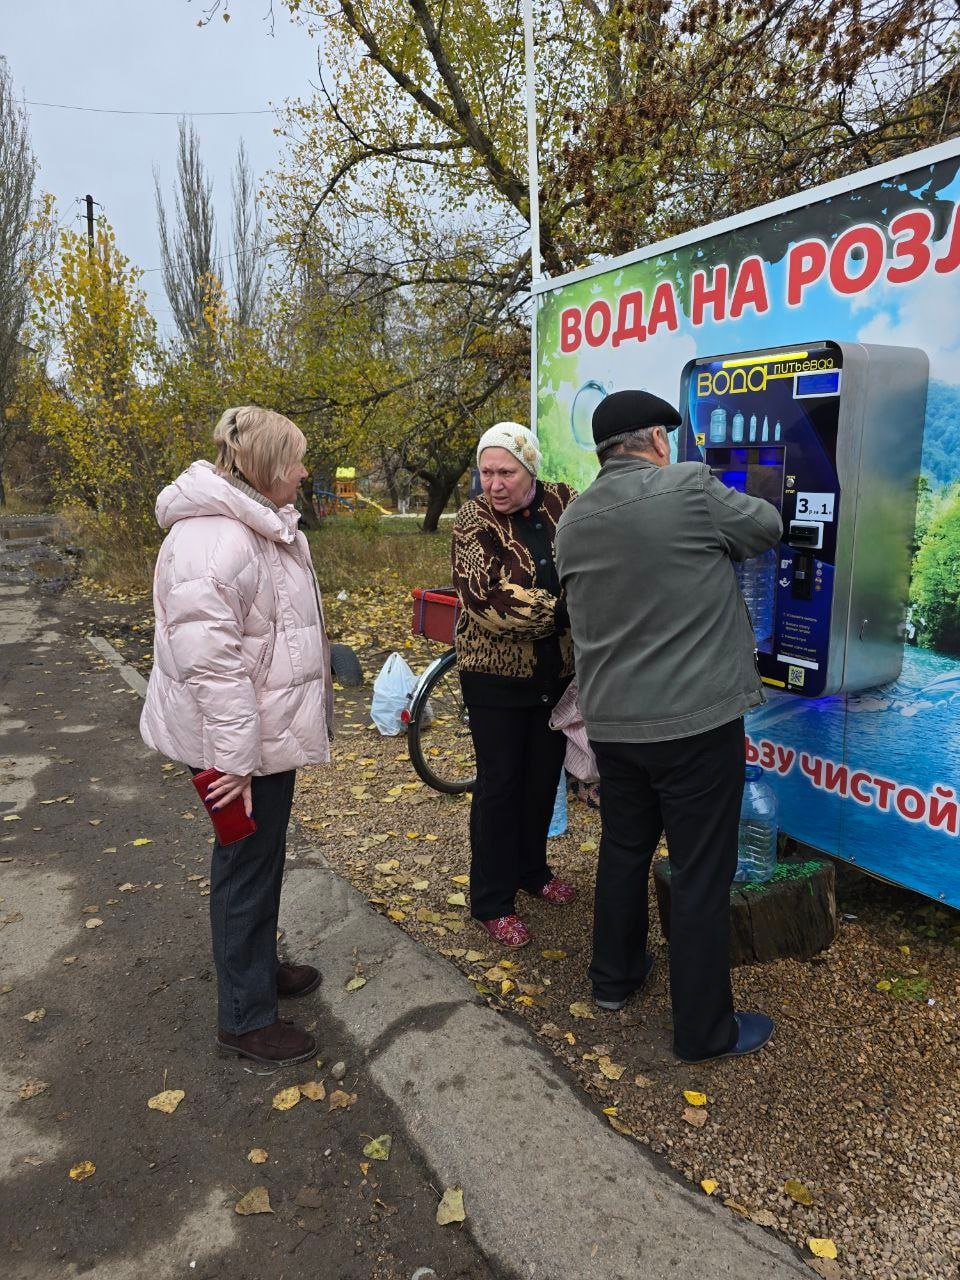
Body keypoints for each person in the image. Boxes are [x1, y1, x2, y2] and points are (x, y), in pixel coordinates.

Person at [555, 389, 783, 1063]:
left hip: (616, 727)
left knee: (625, 849)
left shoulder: (574, 519)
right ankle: (704, 1031)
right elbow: (766, 524)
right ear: (656, 440)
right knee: (701, 873)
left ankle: (614, 981)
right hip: (693, 724)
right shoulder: (688, 487)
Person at [140, 406, 334, 1068]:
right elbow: (211, 666)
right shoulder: (216, 540)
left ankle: (260, 966)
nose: (307, 472)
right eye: (299, 460)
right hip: (234, 747)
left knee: (261, 857)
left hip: (261, 737)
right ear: (271, 468)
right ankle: (245, 1019)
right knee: (244, 866)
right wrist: (234, 764)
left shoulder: (251, 527)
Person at [451, 422, 577, 947]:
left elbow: (590, 562)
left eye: (506, 472)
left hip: (556, 672)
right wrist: (570, 612)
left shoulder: (563, 502)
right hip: (494, 676)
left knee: (543, 777)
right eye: (486, 472)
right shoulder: (471, 518)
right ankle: (492, 899)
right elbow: (486, 600)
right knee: (500, 784)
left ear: (530, 469)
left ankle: (532, 870)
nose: (494, 484)